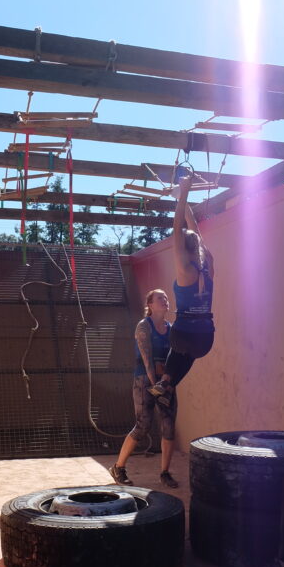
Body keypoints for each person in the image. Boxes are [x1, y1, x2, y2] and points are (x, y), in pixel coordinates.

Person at [148, 171, 215, 407]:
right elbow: (194, 232)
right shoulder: (208, 265)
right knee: (187, 353)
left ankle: (167, 380)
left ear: (184, 249)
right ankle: (167, 384)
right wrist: (182, 199)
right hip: (205, 339)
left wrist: (184, 192)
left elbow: (177, 229)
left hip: (186, 333)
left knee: (179, 350)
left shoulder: (185, 270)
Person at [109, 288, 179, 489]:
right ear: (150, 304)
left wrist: (167, 383)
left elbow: (175, 359)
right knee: (143, 425)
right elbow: (147, 361)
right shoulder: (143, 326)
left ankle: (165, 473)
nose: (165, 300)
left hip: (165, 381)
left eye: (166, 297)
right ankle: (118, 467)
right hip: (144, 380)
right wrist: (156, 385)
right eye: (160, 298)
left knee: (169, 426)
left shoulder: (171, 329)